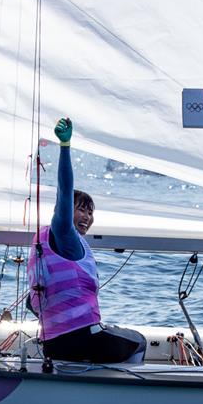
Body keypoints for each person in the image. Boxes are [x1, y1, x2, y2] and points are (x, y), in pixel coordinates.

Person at [27, 117, 146, 364]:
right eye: (81, 209)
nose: (87, 217)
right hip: (83, 341)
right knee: (139, 341)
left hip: (53, 345)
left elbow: (34, 303)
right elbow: (64, 189)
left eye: (90, 212)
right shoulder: (64, 234)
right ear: (65, 210)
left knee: (109, 333)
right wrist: (65, 146)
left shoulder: (45, 246)